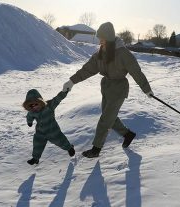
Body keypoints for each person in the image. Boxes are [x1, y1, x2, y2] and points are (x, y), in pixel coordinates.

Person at [62, 22, 154, 158]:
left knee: (105, 119)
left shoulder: (123, 53)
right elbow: (87, 69)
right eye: (100, 38)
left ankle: (96, 149)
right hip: (106, 87)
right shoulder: (101, 52)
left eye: (102, 38)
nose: (100, 41)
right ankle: (128, 135)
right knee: (111, 117)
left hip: (119, 90)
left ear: (109, 38)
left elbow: (136, 72)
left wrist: (147, 89)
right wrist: (72, 81)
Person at [23, 89, 75, 165]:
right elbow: (29, 116)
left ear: (40, 102)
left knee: (61, 141)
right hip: (40, 132)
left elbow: (57, 98)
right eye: (31, 105)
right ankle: (35, 158)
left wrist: (65, 91)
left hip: (52, 130)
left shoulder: (49, 106)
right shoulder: (32, 112)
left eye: (36, 104)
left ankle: (69, 148)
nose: (34, 107)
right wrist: (29, 122)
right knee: (37, 144)